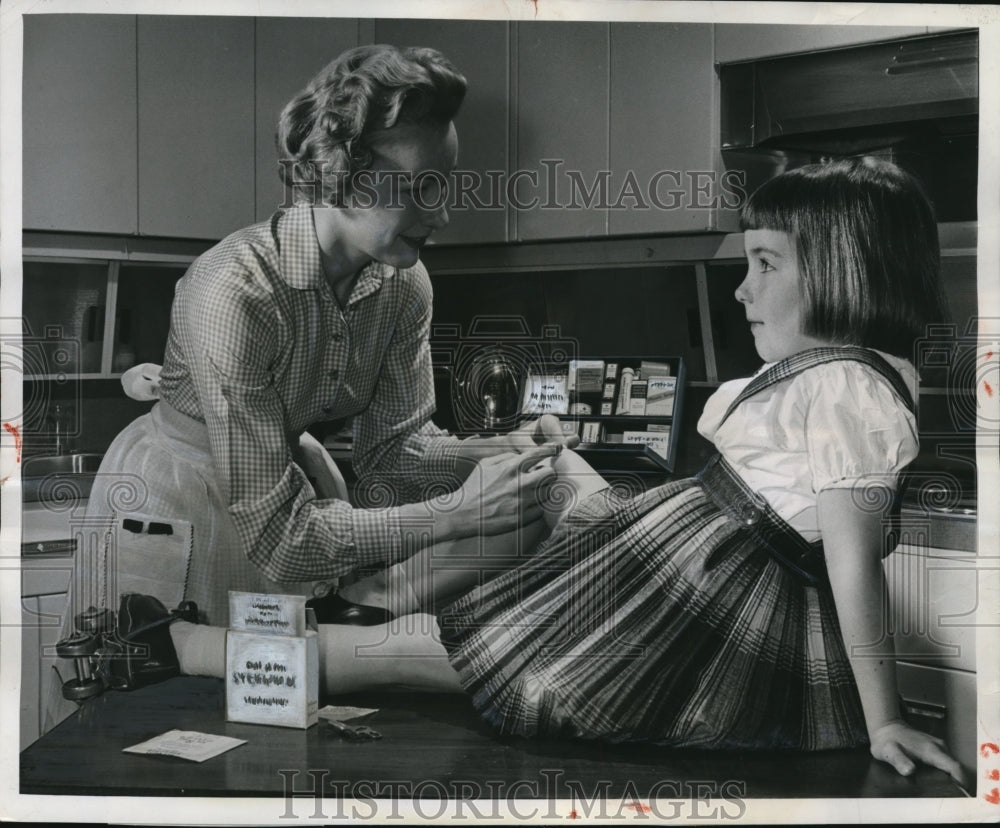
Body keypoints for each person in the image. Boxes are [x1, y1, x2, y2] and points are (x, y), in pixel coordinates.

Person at [167, 157, 964, 783]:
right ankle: (359, 604)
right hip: (687, 561)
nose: (741, 288)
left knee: (430, 657)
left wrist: (886, 718)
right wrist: (509, 454)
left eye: (765, 264)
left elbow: (853, 562)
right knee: (535, 494)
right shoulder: (844, 376)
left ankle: (192, 649)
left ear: (838, 270)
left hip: (700, 601)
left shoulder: (852, 391)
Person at [72, 44, 569, 630]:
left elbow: (395, 452)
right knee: (166, 697)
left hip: (279, 501)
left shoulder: (403, 285)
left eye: (447, 184)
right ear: (344, 175)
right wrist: (458, 513)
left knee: (269, 696)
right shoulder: (233, 290)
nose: (443, 214)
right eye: (421, 187)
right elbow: (283, 540)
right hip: (176, 506)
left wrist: (501, 453)